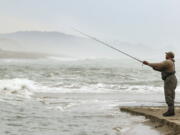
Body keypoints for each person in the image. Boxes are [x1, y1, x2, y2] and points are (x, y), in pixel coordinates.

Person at [143, 52, 177, 117]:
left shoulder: (168, 61)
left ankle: (170, 112)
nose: (165, 55)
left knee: (169, 95)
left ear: (169, 56)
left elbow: (159, 64)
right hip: (171, 79)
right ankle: (171, 111)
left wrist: (148, 63)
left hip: (170, 80)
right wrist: (152, 66)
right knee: (170, 95)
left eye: (166, 54)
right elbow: (160, 69)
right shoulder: (170, 62)